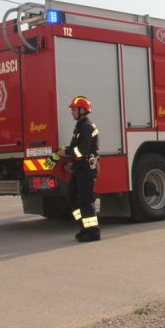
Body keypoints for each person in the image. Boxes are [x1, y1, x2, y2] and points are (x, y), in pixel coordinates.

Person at [55, 96, 101, 243]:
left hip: (87, 168)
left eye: (74, 109)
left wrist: (65, 152)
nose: (72, 112)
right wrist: (64, 153)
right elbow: (75, 147)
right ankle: (84, 227)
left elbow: (82, 151)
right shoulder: (80, 127)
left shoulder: (87, 127)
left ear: (82, 110)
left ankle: (93, 232)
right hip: (80, 168)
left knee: (86, 201)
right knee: (72, 197)